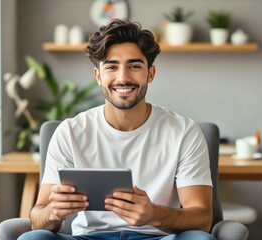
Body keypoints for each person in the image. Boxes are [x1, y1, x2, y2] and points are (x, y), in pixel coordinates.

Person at [18, 19, 215, 240]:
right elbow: (37, 218)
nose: (123, 77)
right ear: (98, 76)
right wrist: (53, 212)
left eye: (134, 66)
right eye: (111, 66)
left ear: (150, 74)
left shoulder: (184, 132)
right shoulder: (70, 132)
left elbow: (203, 219)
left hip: (158, 237)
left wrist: (154, 215)